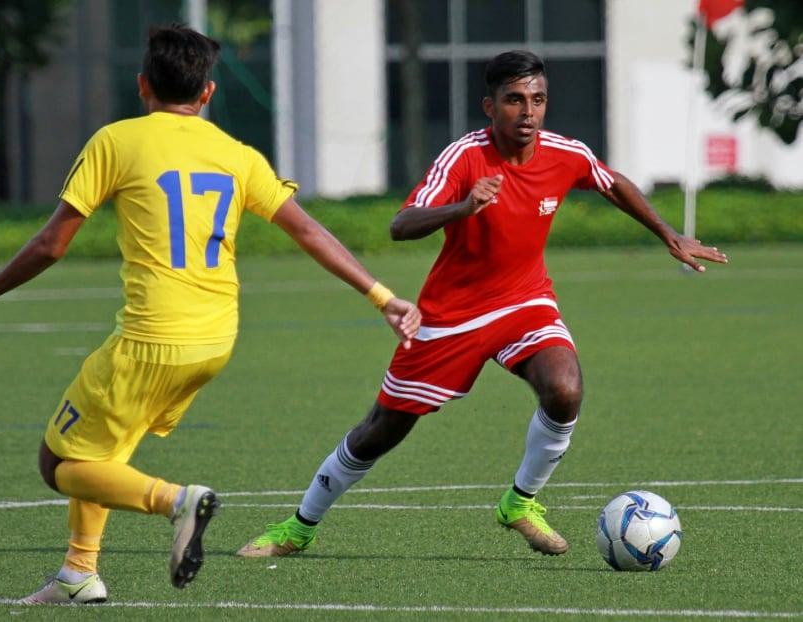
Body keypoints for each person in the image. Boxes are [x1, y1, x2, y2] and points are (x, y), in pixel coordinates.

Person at [0, 24, 420, 604]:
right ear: (207, 93)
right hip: (215, 340)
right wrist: (384, 297)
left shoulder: (116, 140)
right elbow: (308, 230)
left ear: (142, 86)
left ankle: (176, 501)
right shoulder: (236, 154)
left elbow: (50, 244)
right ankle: (79, 573)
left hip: (150, 339)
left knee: (58, 462)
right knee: (104, 447)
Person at [237, 50, 728, 559]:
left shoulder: (564, 152)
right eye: (515, 100)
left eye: (537, 99)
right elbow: (401, 225)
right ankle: (298, 528)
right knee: (380, 430)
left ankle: (520, 502)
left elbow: (612, 182)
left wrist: (669, 234)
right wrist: (464, 207)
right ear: (489, 107)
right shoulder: (464, 158)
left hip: (525, 301)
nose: (529, 112)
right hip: (452, 316)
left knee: (564, 389)